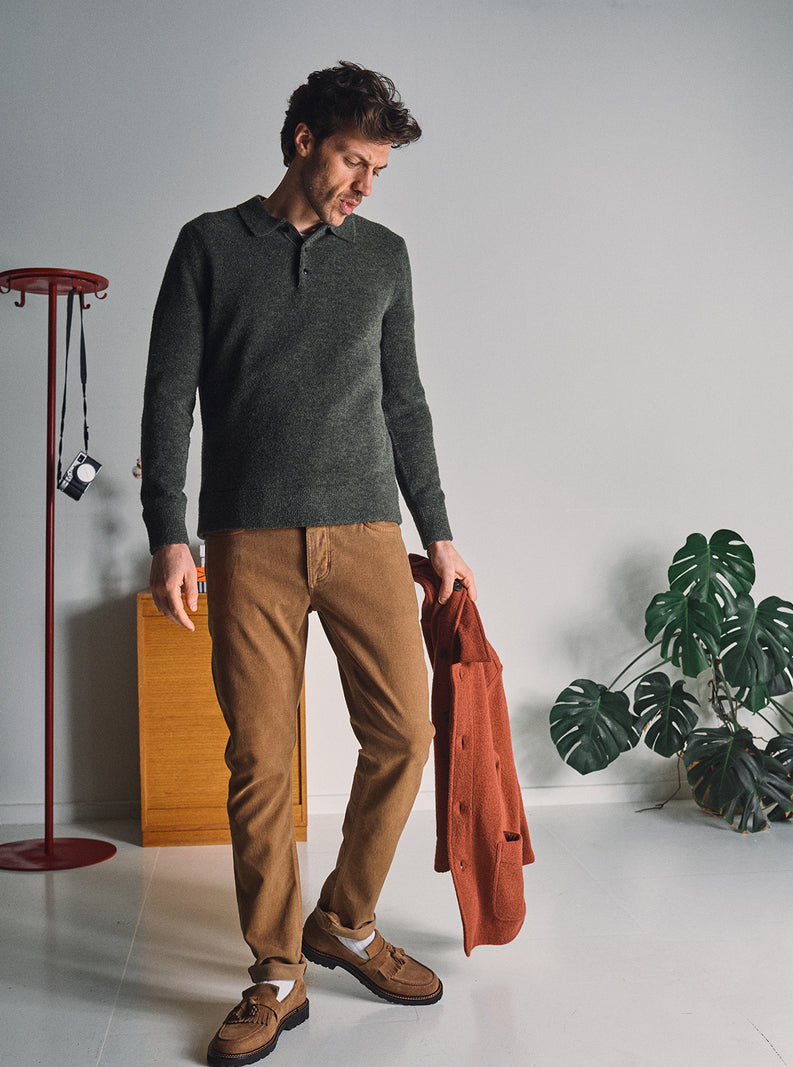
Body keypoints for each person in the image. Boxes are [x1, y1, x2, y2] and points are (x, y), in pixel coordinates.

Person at [140, 61, 475, 1066]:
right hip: (246, 537)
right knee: (260, 760)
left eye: (377, 169)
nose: (363, 185)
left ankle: (347, 918)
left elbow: (403, 402)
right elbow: (168, 398)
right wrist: (170, 530)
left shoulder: (383, 258)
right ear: (300, 141)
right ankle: (276, 969)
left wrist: (439, 527)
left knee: (403, 731)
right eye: (350, 160)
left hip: (368, 530)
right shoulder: (206, 246)